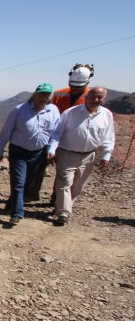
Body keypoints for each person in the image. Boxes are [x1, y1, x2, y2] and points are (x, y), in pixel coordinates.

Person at [46, 86, 114, 226]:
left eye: (99, 97)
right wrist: (52, 149)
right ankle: (63, 213)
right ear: (87, 97)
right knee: (64, 183)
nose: (95, 100)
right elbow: (57, 132)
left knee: (77, 186)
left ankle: (63, 207)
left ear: (103, 99)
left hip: (89, 155)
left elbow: (108, 136)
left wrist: (106, 155)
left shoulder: (106, 115)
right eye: (93, 96)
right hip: (66, 153)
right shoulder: (70, 113)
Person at [0, 83, 60, 225]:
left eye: (47, 94)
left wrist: (51, 149)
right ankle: (17, 213)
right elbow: (6, 132)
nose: (44, 97)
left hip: (40, 152)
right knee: (18, 182)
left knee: (29, 182)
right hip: (19, 151)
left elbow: (55, 134)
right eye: (41, 93)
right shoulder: (19, 110)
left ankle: (12, 203)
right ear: (34, 94)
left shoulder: (53, 110)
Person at [28, 63, 94, 202]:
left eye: (78, 86)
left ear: (87, 82)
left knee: (64, 173)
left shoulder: (92, 97)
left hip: (72, 141)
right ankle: (31, 193)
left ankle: (57, 199)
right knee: (38, 166)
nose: (74, 89)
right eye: (73, 85)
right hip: (52, 136)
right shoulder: (59, 93)